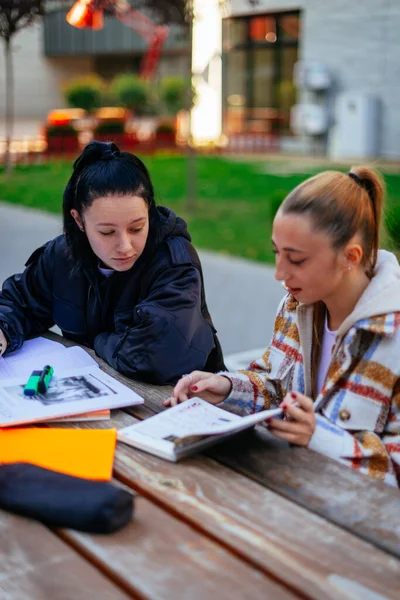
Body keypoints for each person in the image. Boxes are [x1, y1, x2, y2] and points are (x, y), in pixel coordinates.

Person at [165, 166, 400, 488]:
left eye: (296, 260)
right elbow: (275, 386)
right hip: (287, 494)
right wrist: (227, 388)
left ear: (350, 257)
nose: (278, 273)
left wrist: (321, 437)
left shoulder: (393, 338)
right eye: (277, 253)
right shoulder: (295, 307)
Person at [0, 141, 225, 384]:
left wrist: (97, 340)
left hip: (177, 405)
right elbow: (20, 301)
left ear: (149, 210)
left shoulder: (174, 263)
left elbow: (151, 357)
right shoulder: (63, 255)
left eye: (137, 228)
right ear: (78, 221)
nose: (126, 246)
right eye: (107, 232)